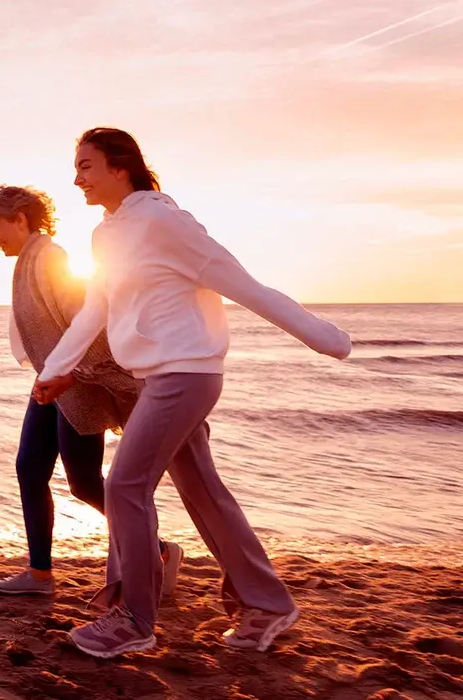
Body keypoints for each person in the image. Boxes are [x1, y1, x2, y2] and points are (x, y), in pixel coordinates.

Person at [35, 128, 352, 658]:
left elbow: (240, 282)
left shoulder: (164, 222)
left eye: (86, 166)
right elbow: (97, 308)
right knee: (203, 491)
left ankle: (136, 618)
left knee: (124, 487)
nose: (76, 178)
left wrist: (324, 338)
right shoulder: (106, 235)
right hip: (154, 376)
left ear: (121, 167)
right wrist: (58, 368)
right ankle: (268, 603)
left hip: (187, 373)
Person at [0, 185, 181, 598]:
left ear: (21, 219)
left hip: (76, 384)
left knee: (84, 482)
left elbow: (89, 325)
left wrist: (74, 374)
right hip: (53, 381)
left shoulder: (49, 259)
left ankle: (158, 551)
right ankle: (38, 575)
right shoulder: (31, 260)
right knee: (29, 469)